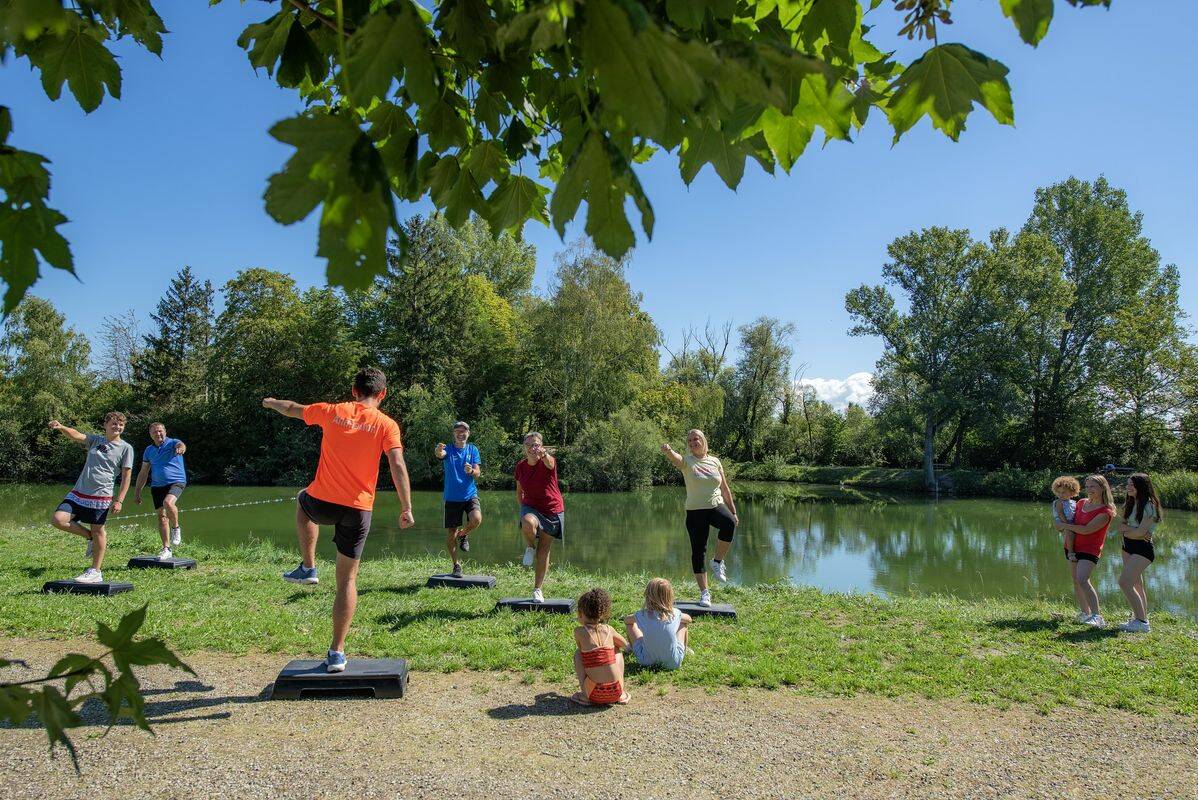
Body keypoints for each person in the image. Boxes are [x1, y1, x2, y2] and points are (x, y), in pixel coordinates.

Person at [263, 367, 415, 673]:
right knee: (347, 581)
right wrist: (406, 506)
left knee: (303, 500)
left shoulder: (333, 411)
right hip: (358, 510)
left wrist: (271, 402)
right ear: (383, 394)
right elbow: (397, 463)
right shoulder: (387, 424)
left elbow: (292, 409)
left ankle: (308, 567)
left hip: (323, 503)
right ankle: (337, 652)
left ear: (354, 391)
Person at [48, 412, 134, 583]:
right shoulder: (96, 440)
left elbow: (126, 477)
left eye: (121, 424)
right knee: (59, 520)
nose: (117, 427)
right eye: (114, 424)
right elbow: (77, 435)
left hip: (101, 496)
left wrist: (119, 500)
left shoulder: (126, 448)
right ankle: (89, 537)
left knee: (98, 531)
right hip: (78, 492)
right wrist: (61, 427)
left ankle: (96, 571)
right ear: (105, 425)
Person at [659, 429, 738, 607]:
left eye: (696, 439)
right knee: (698, 552)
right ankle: (705, 594)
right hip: (695, 512)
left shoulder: (715, 461)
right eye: (690, 440)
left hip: (715, 505)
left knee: (729, 523)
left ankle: (717, 561)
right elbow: (676, 459)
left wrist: (733, 511)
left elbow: (725, 489)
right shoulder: (687, 461)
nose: (693, 442)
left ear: (703, 441)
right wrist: (669, 451)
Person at [1054, 474, 1116, 627]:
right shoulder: (1081, 503)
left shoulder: (1106, 512)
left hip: (1090, 550)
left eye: (1093, 486)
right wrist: (1060, 524)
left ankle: (1097, 617)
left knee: (1082, 579)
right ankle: (1085, 613)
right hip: (1072, 547)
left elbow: (1086, 530)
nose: (1089, 489)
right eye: (1087, 486)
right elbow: (1068, 522)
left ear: (1103, 488)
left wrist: (1064, 525)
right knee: (1076, 581)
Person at [515, 431, 564, 604]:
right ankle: (530, 546)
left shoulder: (548, 461)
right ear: (524, 448)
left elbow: (550, 463)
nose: (532, 448)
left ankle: (537, 589)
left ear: (541, 446)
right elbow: (519, 491)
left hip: (552, 509)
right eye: (528, 445)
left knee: (543, 551)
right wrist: (523, 509)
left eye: (535, 444)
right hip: (531, 507)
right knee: (527, 522)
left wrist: (544, 455)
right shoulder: (520, 466)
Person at [1115, 472, 1162, 633]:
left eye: (1132, 485)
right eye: (1127, 484)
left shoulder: (1149, 505)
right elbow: (1120, 527)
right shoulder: (1129, 503)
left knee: (1124, 582)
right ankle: (1139, 617)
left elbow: (1140, 532)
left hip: (1143, 549)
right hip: (1127, 547)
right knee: (1136, 584)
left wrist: (1129, 530)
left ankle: (1142, 623)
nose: (1128, 487)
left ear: (1141, 487)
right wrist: (1134, 531)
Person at [435, 421, 482, 578]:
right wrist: (438, 450)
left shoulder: (473, 449)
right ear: (454, 434)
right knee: (451, 532)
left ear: (468, 433)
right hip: (452, 497)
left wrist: (471, 471)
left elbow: (478, 473)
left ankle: (463, 534)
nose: (461, 434)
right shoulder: (448, 449)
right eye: (457, 431)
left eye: (464, 431)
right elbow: (440, 454)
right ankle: (456, 565)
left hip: (470, 494)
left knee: (476, 519)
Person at [134, 422, 187, 560]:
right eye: (155, 432)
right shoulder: (148, 450)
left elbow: (181, 445)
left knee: (168, 503)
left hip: (176, 481)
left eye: (160, 431)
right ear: (150, 434)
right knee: (162, 517)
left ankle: (176, 528)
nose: (158, 434)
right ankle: (166, 549)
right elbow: (143, 472)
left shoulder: (173, 443)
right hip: (157, 486)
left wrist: (180, 449)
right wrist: (137, 492)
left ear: (165, 431)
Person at [571, 588, 629, 706]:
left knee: (578, 654)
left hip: (593, 693)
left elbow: (582, 650)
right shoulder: (609, 630)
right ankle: (622, 694)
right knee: (617, 650)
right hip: (616, 692)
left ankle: (584, 695)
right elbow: (625, 645)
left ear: (580, 613)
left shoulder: (579, 632)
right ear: (602, 613)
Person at [624, 577, 692, 670]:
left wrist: (638, 620)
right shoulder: (675, 613)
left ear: (648, 595)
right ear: (669, 596)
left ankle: (632, 648)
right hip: (673, 663)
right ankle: (684, 649)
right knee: (683, 624)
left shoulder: (642, 615)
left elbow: (626, 620)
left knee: (630, 625)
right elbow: (689, 619)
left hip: (645, 661)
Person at [1050, 475, 1080, 562]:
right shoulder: (1059, 502)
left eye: (1063, 492)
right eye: (1058, 492)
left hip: (1070, 522)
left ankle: (1075, 549)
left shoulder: (1074, 502)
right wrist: (1067, 524)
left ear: (1072, 492)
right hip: (1061, 521)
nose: (1060, 495)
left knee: (1074, 534)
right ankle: (1071, 552)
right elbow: (1060, 513)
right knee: (1069, 532)